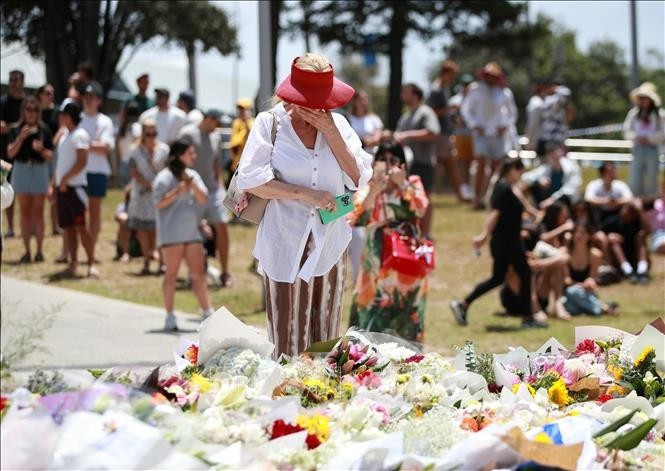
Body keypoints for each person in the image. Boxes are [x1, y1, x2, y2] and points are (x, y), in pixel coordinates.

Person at [237, 53, 373, 358]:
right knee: (288, 344)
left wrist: (330, 131)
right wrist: (304, 194)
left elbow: (359, 177)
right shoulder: (270, 123)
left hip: (330, 243)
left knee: (326, 341)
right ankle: (287, 401)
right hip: (285, 243)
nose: (319, 106)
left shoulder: (337, 124)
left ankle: (326, 403)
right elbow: (251, 179)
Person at [450, 158, 548, 328]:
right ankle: (527, 318)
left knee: (497, 278)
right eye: (519, 171)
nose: (520, 175)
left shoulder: (507, 187)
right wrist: (483, 235)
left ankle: (463, 304)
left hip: (506, 242)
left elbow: (521, 205)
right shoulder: (503, 188)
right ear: (512, 170)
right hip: (508, 242)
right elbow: (495, 214)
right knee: (525, 274)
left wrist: (535, 213)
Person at [349, 143, 430, 342]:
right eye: (383, 160)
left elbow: (420, 209)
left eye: (394, 160)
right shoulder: (366, 188)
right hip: (376, 266)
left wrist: (403, 185)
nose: (388, 165)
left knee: (407, 317)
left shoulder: (413, 182)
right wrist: (373, 191)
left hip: (407, 264)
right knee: (369, 318)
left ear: (403, 165)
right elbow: (355, 217)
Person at [153, 138, 213, 331]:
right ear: (179, 155)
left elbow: (204, 199)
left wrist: (191, 184)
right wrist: (177, 191)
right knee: (171, 275)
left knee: (198, 275)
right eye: (190, 153)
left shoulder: (193, 175)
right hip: (171, 233)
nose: (194, 156)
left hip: (191, 231)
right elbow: (158, 203)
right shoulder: (163, 177)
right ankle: (169, 316)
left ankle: (207, 313)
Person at [178, 109, 234, 286]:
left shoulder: (216, 137)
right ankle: (193, 274)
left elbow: (217, 164)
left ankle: (225, 272)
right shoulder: (188, 134)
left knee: (222, 226)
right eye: (217, 122)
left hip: (212, 190)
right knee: (190, 233)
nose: (218, 126)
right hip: (192, 191)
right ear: (209, 119)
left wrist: (221, 187)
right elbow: (179, 161)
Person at [461, 63, 517, 209]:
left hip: (497, 135)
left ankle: (491, 197)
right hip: (481, 134)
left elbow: (512, 113)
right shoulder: (476, 90)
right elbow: (466, 110)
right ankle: (477, 198)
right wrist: (475, 125)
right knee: (480, 163)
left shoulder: (504, 93)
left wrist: (504, 126)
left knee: (496, 167)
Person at [6, 95, 54, 263]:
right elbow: (10, 153)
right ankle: (27, 251)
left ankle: (39, 251)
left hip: (39, 169)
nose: (31, 113)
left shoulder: (45, 130)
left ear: (38, 112)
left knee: (38, 212)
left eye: (35, 110)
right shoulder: (15, 129)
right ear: (23, 111)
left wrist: (41, 150)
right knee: (24, 212)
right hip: (21, 169)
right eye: (28, 109)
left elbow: (50, 156)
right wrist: (21, 137)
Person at [54, 101, 98, 278]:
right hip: (62, 188)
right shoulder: (65, 135)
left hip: (76, 188)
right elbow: (60, 164)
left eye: (64, 114)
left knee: (81, 227)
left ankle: (92, 263)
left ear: (71, 116)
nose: (61, 117)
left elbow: (82, 162)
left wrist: (65, 179)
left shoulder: (80, 135)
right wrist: (55, 183)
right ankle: (73, 263)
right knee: (68, 228)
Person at [392, 83, 440, 239]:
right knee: (410, 198)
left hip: (423, 163)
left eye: (406, 92)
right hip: (408, 164)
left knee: (424, 198)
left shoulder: (425, 112)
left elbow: (433, 133)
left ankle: (426, 234)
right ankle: (414, 232)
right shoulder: (406, 116)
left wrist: (408, 135)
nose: (402, 96)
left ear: (415, 94)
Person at [346, 90, 383, 286]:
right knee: (348, 223)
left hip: (366, 178)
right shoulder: (347, 119)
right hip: (348, 182)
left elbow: (376, 138)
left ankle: (359, 277)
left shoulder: (373, 119)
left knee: (360, 225)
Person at [128, 119, 168, 275]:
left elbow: (168, 169)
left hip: (159, 195)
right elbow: (133, 170)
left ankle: (161, 262)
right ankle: (146, 260)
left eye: (154, 133)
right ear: (143, 134)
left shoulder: (164, 149)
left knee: (158, 230)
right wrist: (146, 183)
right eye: (148, 134)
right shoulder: (135, 151)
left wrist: (159, 185)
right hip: (141, 195)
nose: (152, 137)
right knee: (143, 230)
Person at [79, 81, 114, 260]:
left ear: (99, 100)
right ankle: (75, 248)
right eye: (86, 96)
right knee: (77, 212)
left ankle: (92, 247)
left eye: (92, 97)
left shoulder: (105, 121)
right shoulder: (77, 118)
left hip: (97, 171)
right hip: (78, 171)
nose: (89, 100)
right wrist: (92, 144)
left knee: (94, 212)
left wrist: (84, 144)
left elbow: (105, 147)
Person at [562, 222, 619, 316]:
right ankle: (602, 308)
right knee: (571, 296)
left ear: (589, 236)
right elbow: (567, 281)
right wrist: (581, 285)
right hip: (570, 293)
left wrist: (589, 283)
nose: (579, 236)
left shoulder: (595, 255)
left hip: (586, 293)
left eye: (583, 233)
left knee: (574, 301)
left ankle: (594, 309)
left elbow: (592, 279)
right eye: (576, 232)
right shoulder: (566, 254)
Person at [427, 59, 464, 201]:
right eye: (451, 75)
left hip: (444, 132)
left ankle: (438, 192)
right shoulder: (436, 90)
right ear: (445, 73)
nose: (452, 79)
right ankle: (458, 195)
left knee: (446, 164)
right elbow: (432, 112)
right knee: (448, 164)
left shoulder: (443, 88)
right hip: (440, 133)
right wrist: (450, 109)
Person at [623, 82, 664, 198]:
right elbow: (627, 131)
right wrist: (637, 138)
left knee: (652, 179)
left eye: (645, 98)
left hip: (652, 149)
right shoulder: (634, 114)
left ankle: (651, 204)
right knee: (635, 178)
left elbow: (663, 133)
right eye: (641, 98)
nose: (643, 101)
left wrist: (650, 139)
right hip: (638, 149)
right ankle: (636, 202)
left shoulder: (659, 115)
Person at [1, 69, 25, 238]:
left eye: (16, 79)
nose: (13, 83)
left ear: (22, 81)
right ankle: (10, 227)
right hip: (4, 153)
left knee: (25, 192)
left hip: (24, 153)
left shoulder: (27, 103)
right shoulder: (2, 102)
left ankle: (25, 227)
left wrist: (10, 126)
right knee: (7, 189)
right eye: (11, 80)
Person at [521, 141, 582, 209]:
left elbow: (569, 190)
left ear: (561, 152)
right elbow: (525, 177)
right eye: (550, 152)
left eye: (554, 151)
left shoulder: (572, 167)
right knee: (532, 186)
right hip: (548, 203)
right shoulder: (547, 168)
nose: (553, 155)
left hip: (566, 203)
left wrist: (551, 200)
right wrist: (539, 181)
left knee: (564, 198)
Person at [449, 74, 475, 202]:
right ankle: (464, 188)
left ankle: (471, 188)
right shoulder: (455, 100)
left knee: (472, 162)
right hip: (459, 134)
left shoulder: (475, 99)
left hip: (472, 134)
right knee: (462, 162)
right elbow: (452, 118)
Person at [538, 82, 573, 153]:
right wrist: (556, 89)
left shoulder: (560, 107)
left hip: (558, 139)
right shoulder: (550, 102)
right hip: (549, 139)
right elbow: (565, 92)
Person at [116, 101, 141, 185]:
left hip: (123, 163)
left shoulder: (122, 127)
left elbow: (119, 148)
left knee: (126, 193)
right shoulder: (137, 126)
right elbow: (137, 143)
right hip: (133, 164)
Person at [524, 78, 551, 154]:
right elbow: (532, 124)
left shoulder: (544, 101)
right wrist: (529, 140)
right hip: (538, 141)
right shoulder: (536, 103)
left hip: (544, 140)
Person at [229, 98, 256, 174]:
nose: (240, 112)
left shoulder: (253, 123)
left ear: (250, 110)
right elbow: (234, 143)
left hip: (248, 165)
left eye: (243, 109)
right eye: (239, 109)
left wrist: (246, 120)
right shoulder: (236, 123)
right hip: (236, 164)